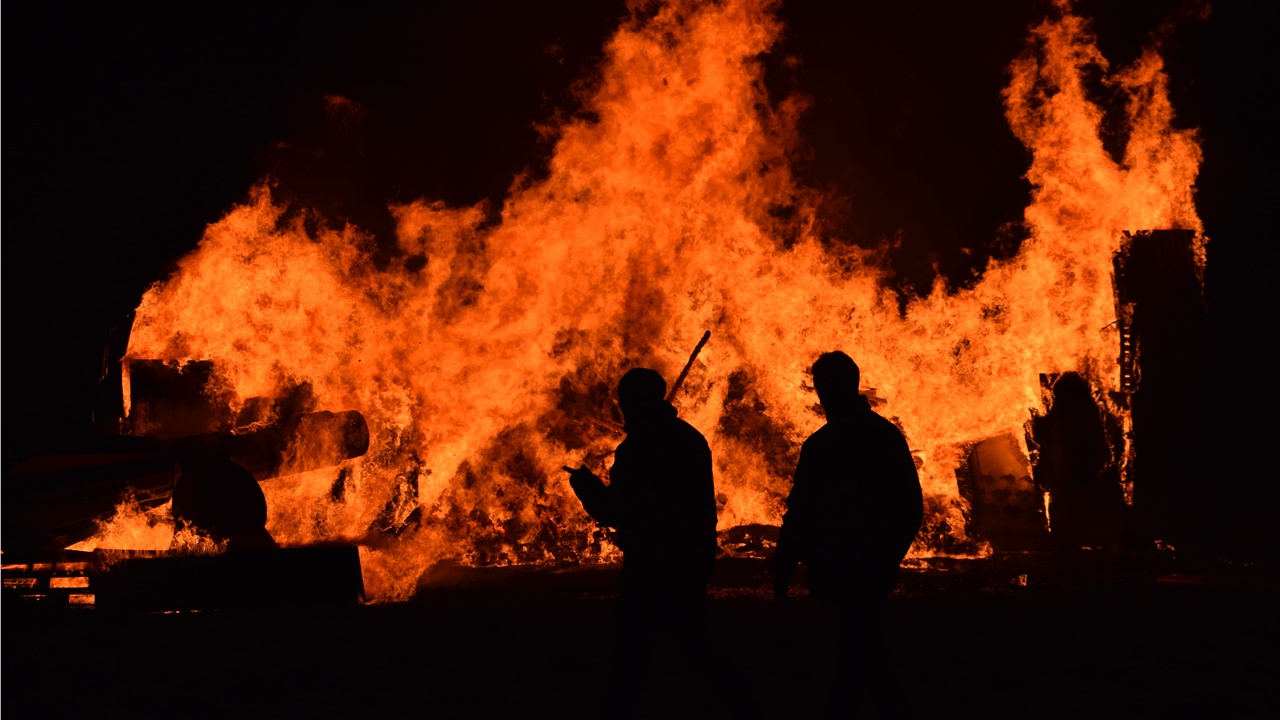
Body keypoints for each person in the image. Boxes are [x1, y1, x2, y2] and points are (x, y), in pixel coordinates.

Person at [774, 351, 923, 715]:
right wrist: (888, 559)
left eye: (823, 385)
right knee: (859, 644)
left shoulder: (823, 445)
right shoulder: (885, 436)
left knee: (857, 644)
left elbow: (800, 514)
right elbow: (910, 507)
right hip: (865, 564)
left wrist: (783, 572)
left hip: (840, 565)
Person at [566, 367, 718, 715]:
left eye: (627, 399)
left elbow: (618, 510)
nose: (623, 406)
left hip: (651, 562)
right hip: (689, 558)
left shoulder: (640, 448)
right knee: (693, 643)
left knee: (635, 646)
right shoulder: (689, 438)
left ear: (638, 400)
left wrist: (586, 487)